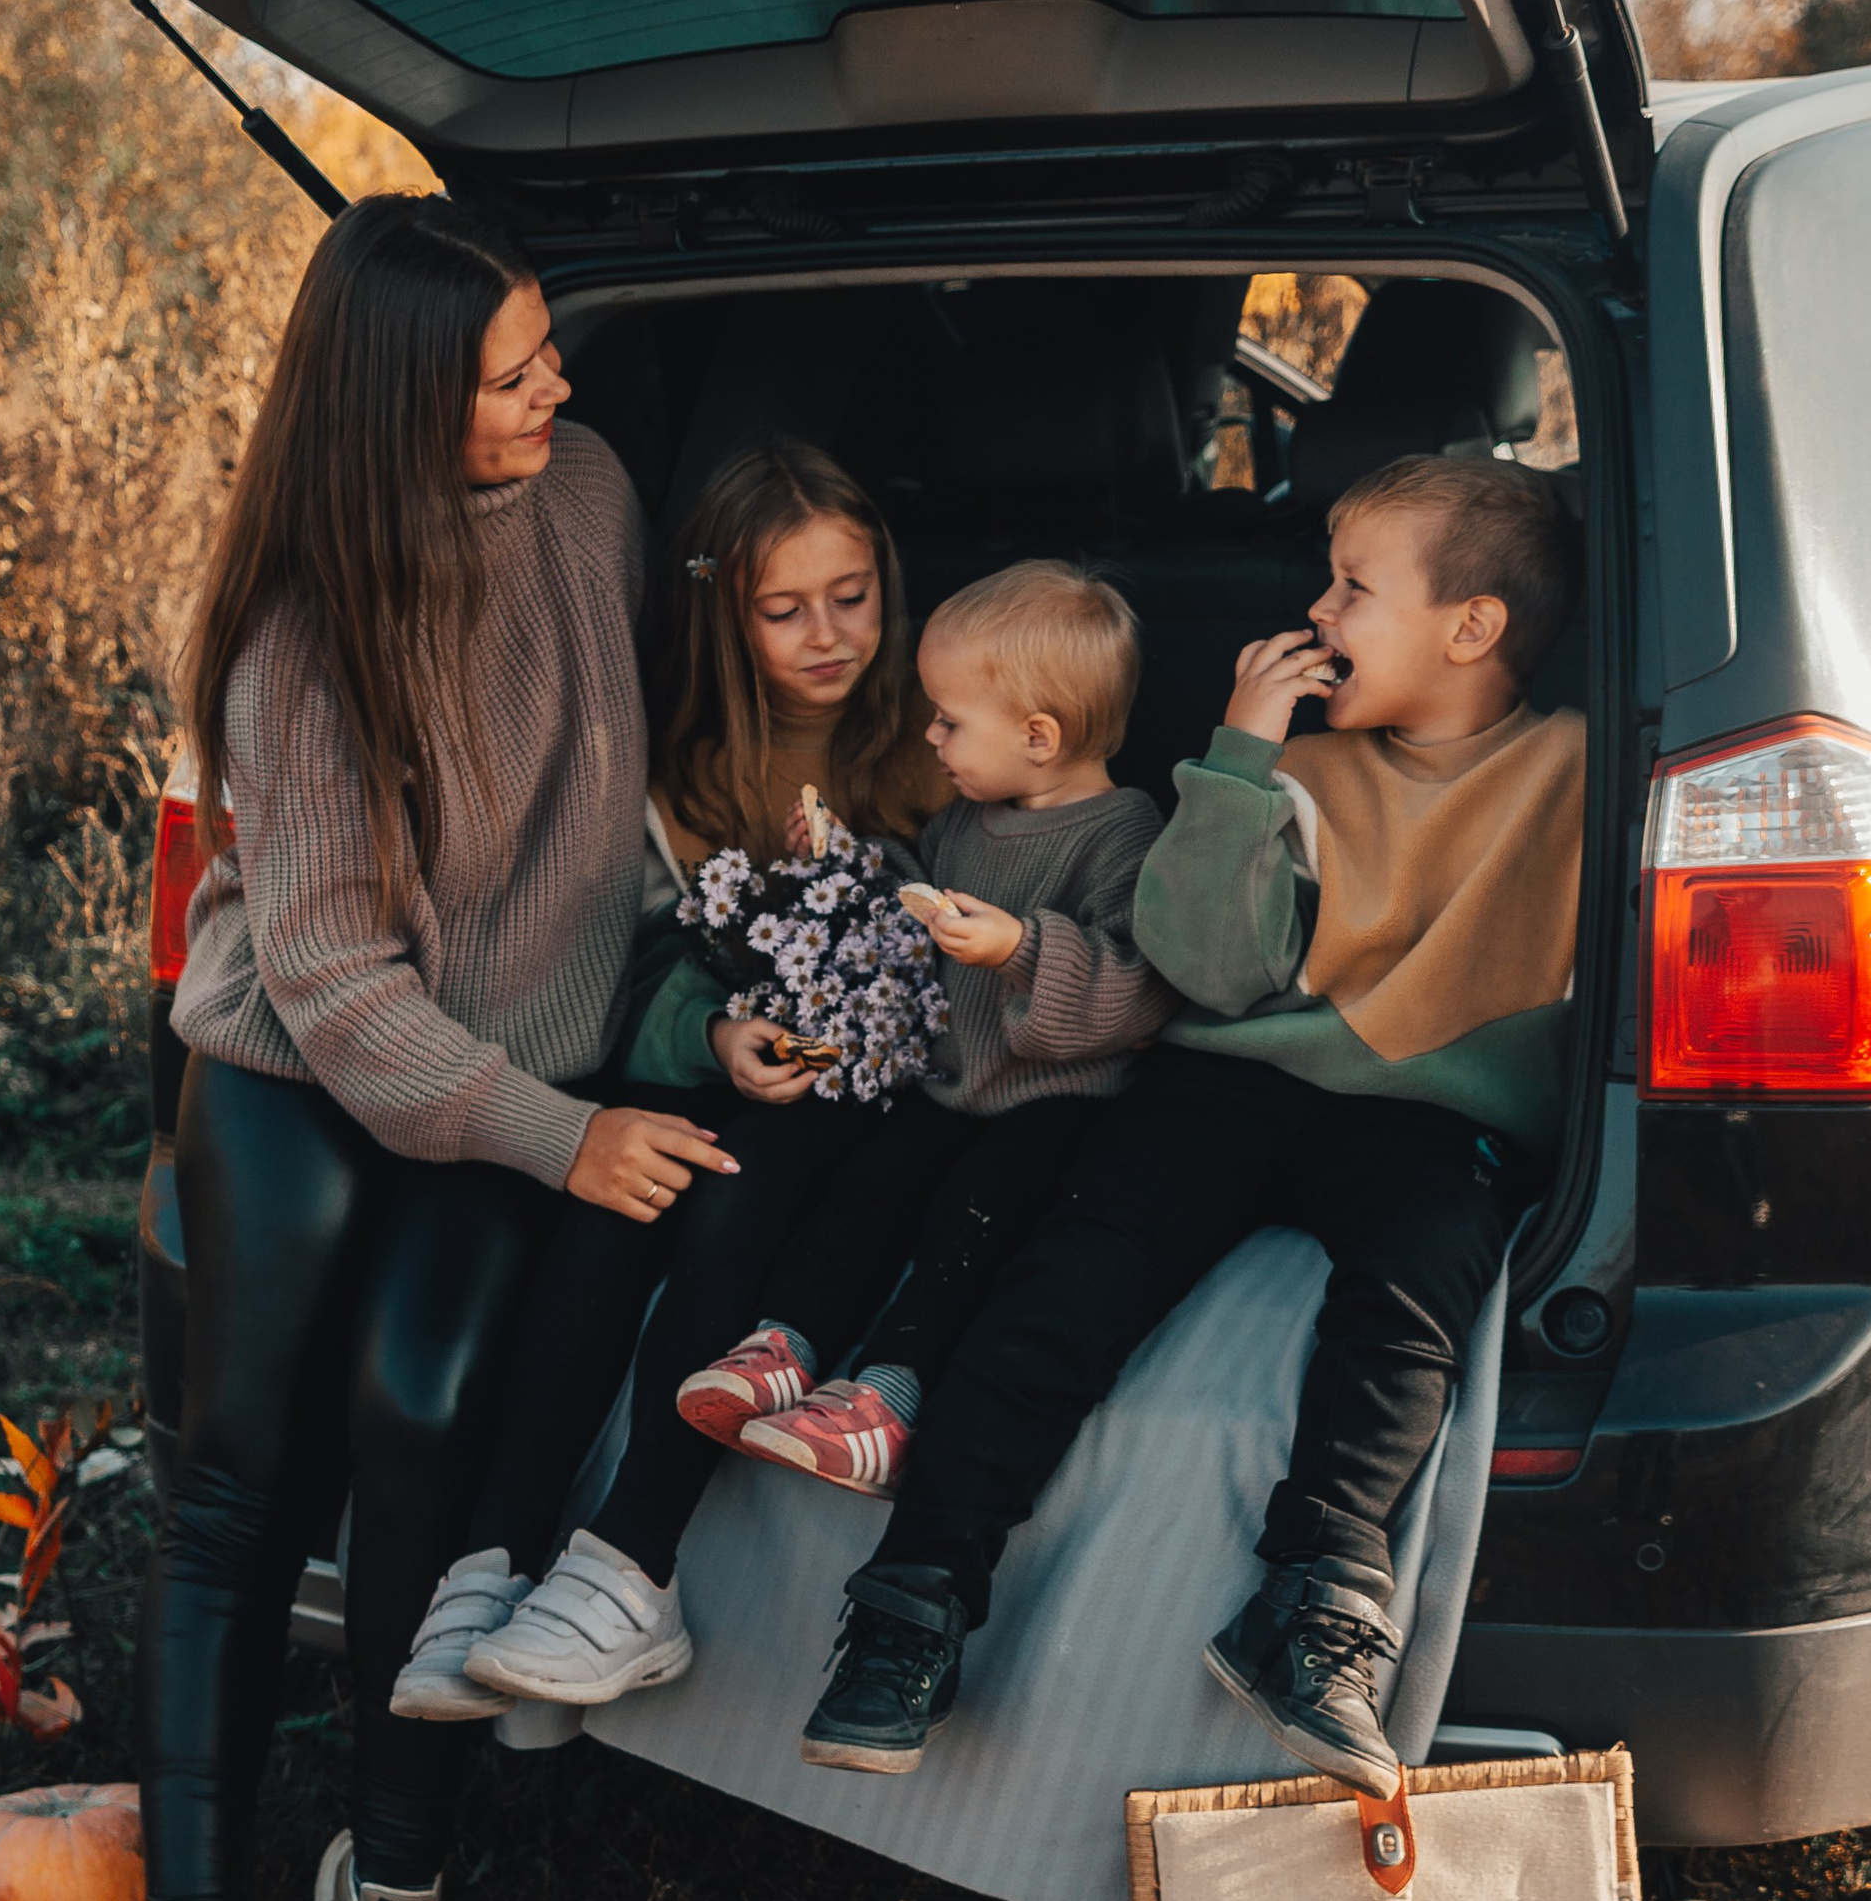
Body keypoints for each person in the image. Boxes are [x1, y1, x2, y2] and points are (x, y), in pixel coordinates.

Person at [140, 193, 740, 1901]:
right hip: (306, 1073)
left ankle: (382, 1890)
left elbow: (639, 766)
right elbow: (322, 977)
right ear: (405, 405)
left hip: (517, 1061)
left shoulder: (582, 493)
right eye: (512, 369)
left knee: (426, 1438)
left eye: (547, 347)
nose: (558, 384)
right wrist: (563, 1139)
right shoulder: (307, 629)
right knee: (236, 1480)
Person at [809, 451, 1586, 1789]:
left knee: (1411, 1296)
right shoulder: (1301, 773)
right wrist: (1238, 758)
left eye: (1354, 588)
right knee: (1074, 1274)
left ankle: (1320, 1598)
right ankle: (913, 1599)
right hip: (1233, 1072)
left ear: (1472, 629)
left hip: (1424, 1111)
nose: (1319, 614)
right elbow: (1209, 967)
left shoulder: (1574, 763)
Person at [395, 442, 946, 1721]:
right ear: (721, 613)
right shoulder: (675, 775)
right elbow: (641, 968)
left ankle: (629, 1568)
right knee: (624, 1182)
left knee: (727, 1179)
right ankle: (496, 1558)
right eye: (783, 607)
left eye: (852, 595)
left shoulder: (935, 744)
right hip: (746, 1082)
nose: (828, 635)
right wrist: (715, 1040)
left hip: (901, 1104)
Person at [673, 563, 1173, 1563]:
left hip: (1056, 1103)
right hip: (947, 1086)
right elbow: (915, 894)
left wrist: (1022, 949)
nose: (930, 739)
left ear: (1039, 737)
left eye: (949, 722)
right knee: (870, 1188)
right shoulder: (962, 820)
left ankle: (887, 1402)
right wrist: (850, 863)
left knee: (969, 1225)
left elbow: (1141, 985)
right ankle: (788, 1345)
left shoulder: (1125, 834)